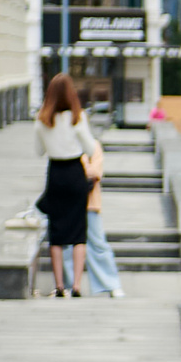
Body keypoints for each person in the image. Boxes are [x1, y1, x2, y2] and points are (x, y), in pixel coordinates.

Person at [34, 75, 120, 298]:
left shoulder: (42, 119)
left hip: (55, 173)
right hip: (74, 173)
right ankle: (78, 286)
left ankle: (60, 286)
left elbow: (38, 151)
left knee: (57, 233)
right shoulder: (77, 117)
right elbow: (91, 149)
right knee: (78, 232)